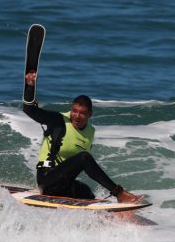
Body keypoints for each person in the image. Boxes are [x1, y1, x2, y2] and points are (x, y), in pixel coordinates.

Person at [22, 71, 143, 203]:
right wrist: (30, 85)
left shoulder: (90, 131)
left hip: (64, 182)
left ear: (89, 115)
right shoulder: (58, 120)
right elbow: (29, 110)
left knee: (87, 193)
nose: (77, 116)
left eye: (82, 113)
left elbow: (76, 165)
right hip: (47, 179)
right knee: (84, 157)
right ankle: (119, 193)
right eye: (74, 111)